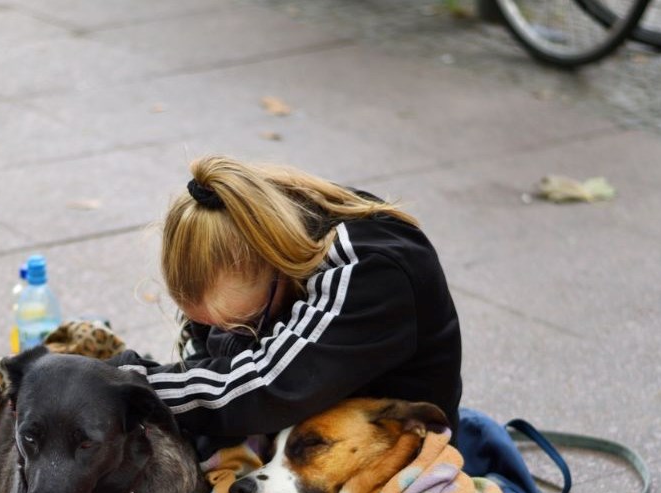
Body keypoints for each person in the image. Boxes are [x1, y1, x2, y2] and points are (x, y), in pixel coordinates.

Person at [114, 155, 462, 451]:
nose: (222, 334)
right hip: (297, 435)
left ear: (275, 263)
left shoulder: (372, 270)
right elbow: (208, 361)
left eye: (244, 323)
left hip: (392, 452)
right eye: (206, 323)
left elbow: (268, 385)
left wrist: (127, 388)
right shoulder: (247, 226)